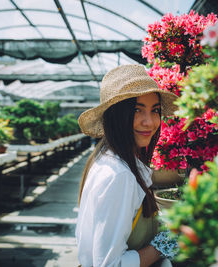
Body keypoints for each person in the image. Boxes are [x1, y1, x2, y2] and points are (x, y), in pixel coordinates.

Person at [75, 64, 179, 267]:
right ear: (116, 116)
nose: (149, 122)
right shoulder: (119, 176)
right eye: (137, 110)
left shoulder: (107, 158)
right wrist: (162, 246)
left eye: (155, 110)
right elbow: (110, 264)